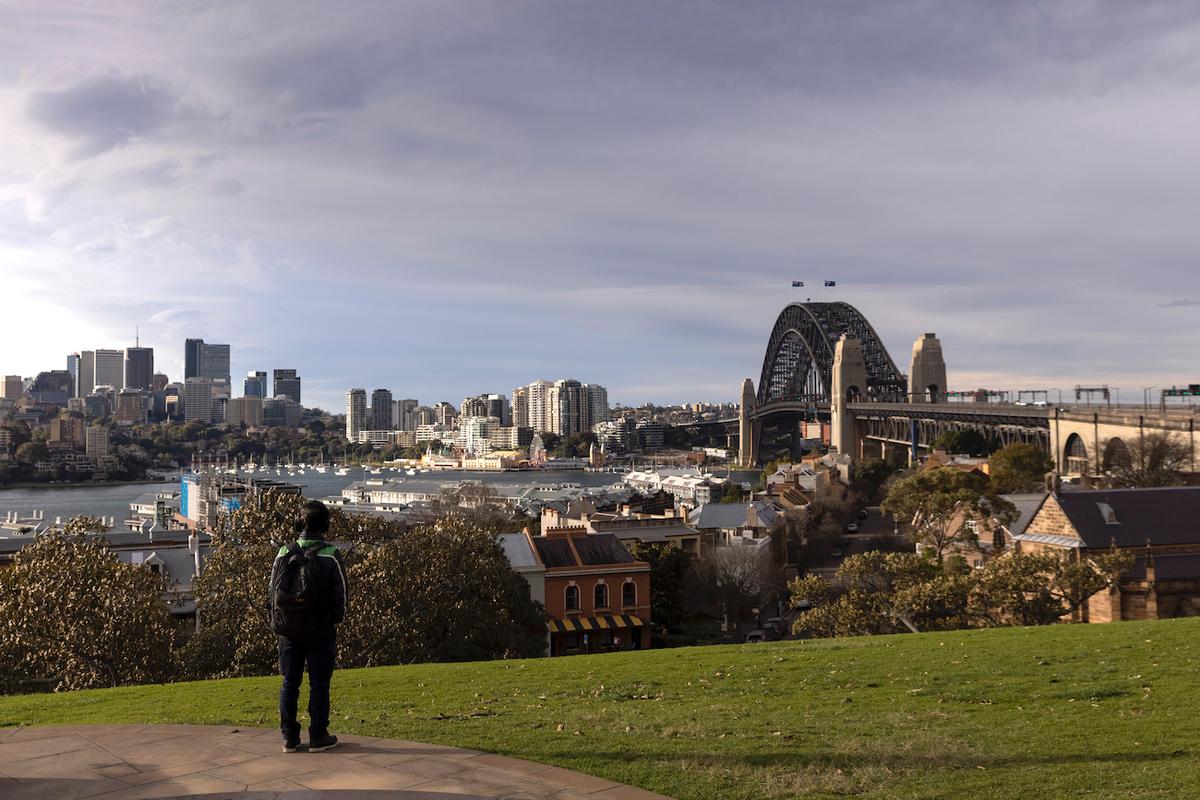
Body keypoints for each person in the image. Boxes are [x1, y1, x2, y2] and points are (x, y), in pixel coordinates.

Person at [269, 500, 347, 753]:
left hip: (288, 629)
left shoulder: (283, 553)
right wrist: (336, 619)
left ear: (298, 523)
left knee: (289, 682)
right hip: (320, 628)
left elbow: (272, 592)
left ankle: (289, 737)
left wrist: (278, 621)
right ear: (325, 525)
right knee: (319, 683)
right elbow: (341, 595)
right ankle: (318, 735)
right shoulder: (330, 555)